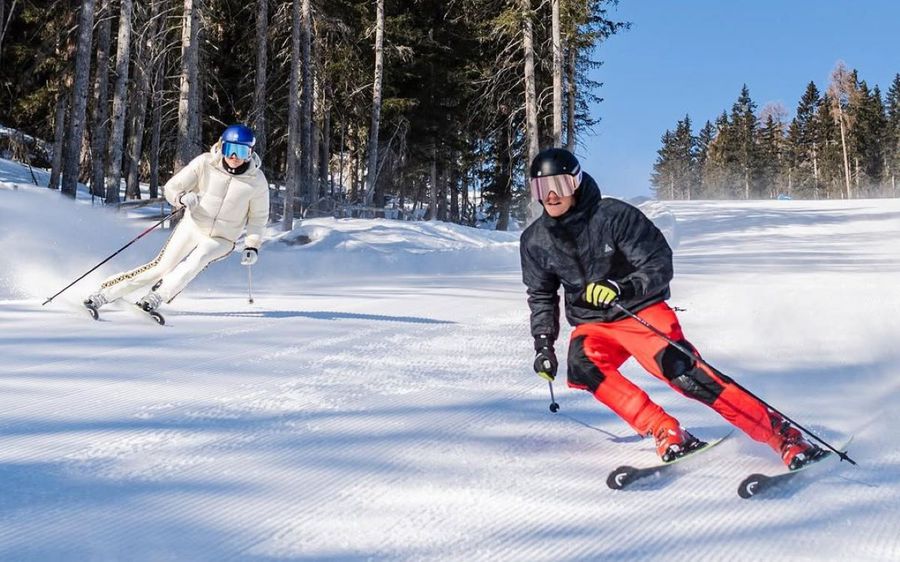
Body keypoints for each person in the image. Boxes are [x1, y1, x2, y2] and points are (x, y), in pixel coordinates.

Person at [520, 147, 821, 469]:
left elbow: (658, 263)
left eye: (560, 186)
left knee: (684, 373)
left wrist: (621, 287)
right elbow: (541, 295)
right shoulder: (535, 240)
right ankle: (664, 430)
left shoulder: (614, 216)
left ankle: (782, 435)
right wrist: (543, 344)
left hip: (640, 310)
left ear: (576, 184)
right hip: (593, 324)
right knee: (583, 367)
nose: (551, 196)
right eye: (541, 188)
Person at [84, 124, 270, 313]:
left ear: (250, 153)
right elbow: (172, 187)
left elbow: (258, 217)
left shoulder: (256, 181)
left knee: (198, 259)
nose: (233, 157)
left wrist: (252, 245)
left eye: (241, 151)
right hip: (193, 225)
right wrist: (181, 198)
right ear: (221, 146)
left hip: (222, 238)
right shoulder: (205, 163)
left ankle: (156, 297)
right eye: (230, 149)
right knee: (161, 267)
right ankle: (105, 293)